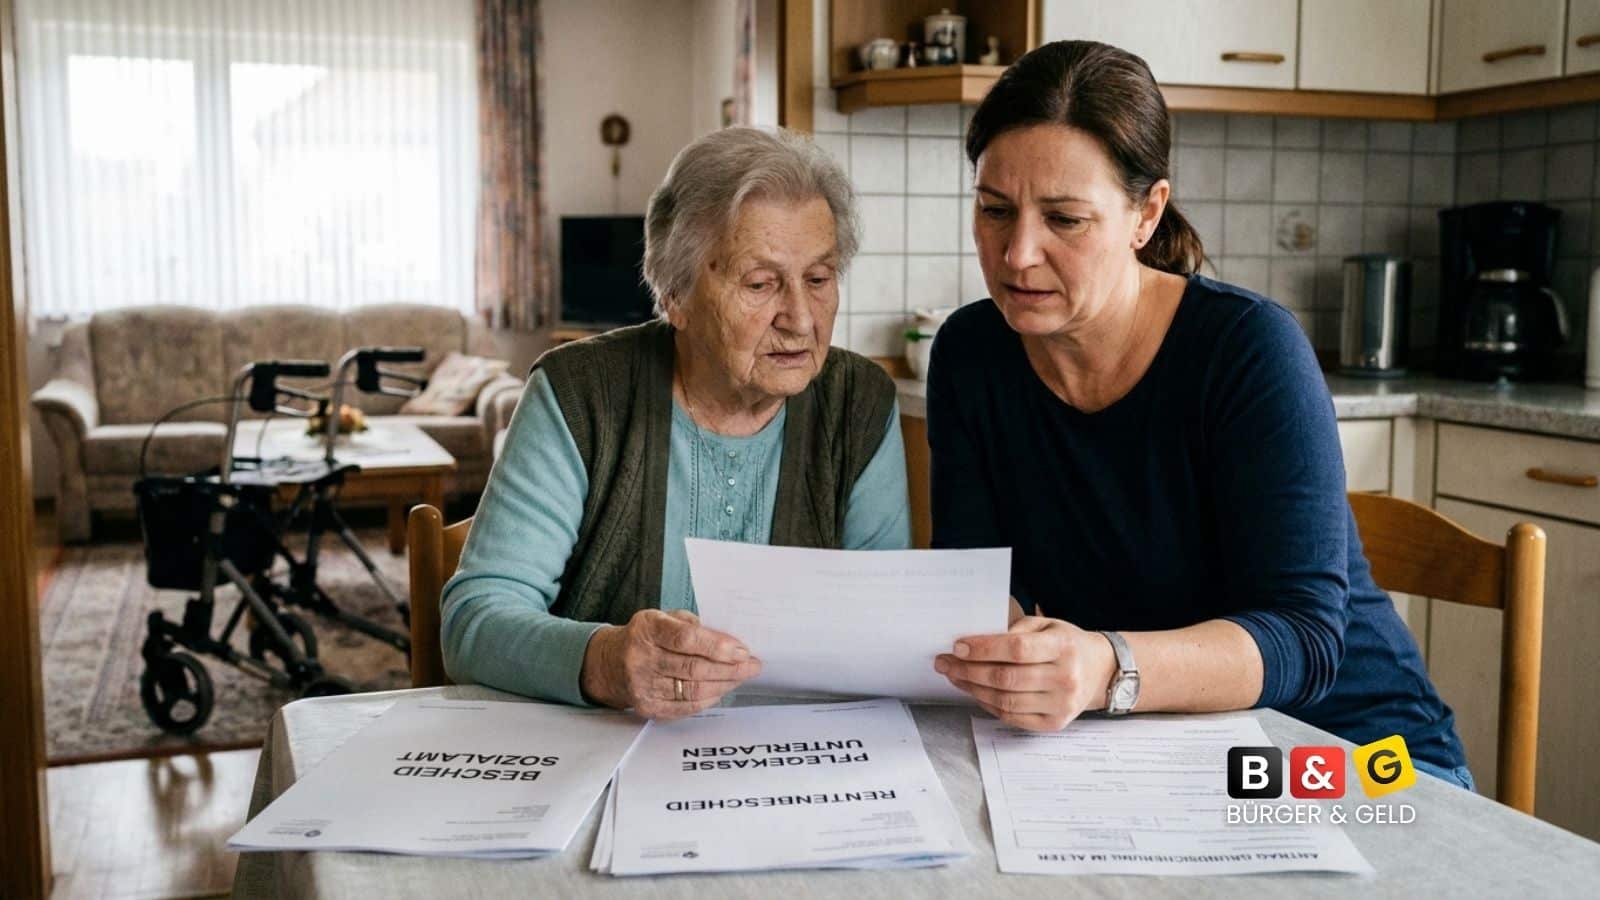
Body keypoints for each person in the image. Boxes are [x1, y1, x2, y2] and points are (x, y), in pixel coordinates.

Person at [927, 40, 1472, 788]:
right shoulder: (971, 352)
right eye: (994, 210)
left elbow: (1306, 638)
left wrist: (1102, 667)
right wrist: (1019, 650)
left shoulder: (1248, 350)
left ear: (1145, 214)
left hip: (1353, 752)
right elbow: (977, 576)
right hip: (1154, 748)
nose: (1018, 254)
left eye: (1065, 219)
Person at [442, 127, 911, 720]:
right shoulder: (581, 394)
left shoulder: (858, 402)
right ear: (674, 296)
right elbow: (474, 622)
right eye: (760, 283)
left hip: (791, 765)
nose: (800, 318)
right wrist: (605, 661)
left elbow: (883, 619)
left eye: (819, 279)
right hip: (605, 756)